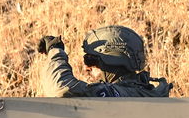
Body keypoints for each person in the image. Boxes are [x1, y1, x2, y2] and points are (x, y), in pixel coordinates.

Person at [36, 25, 171, 98]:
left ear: (113, 60)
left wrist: (56, 51)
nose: (86, 68)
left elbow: (60, 88)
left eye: (89, 60)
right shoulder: (144, 93)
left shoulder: (116, 94)